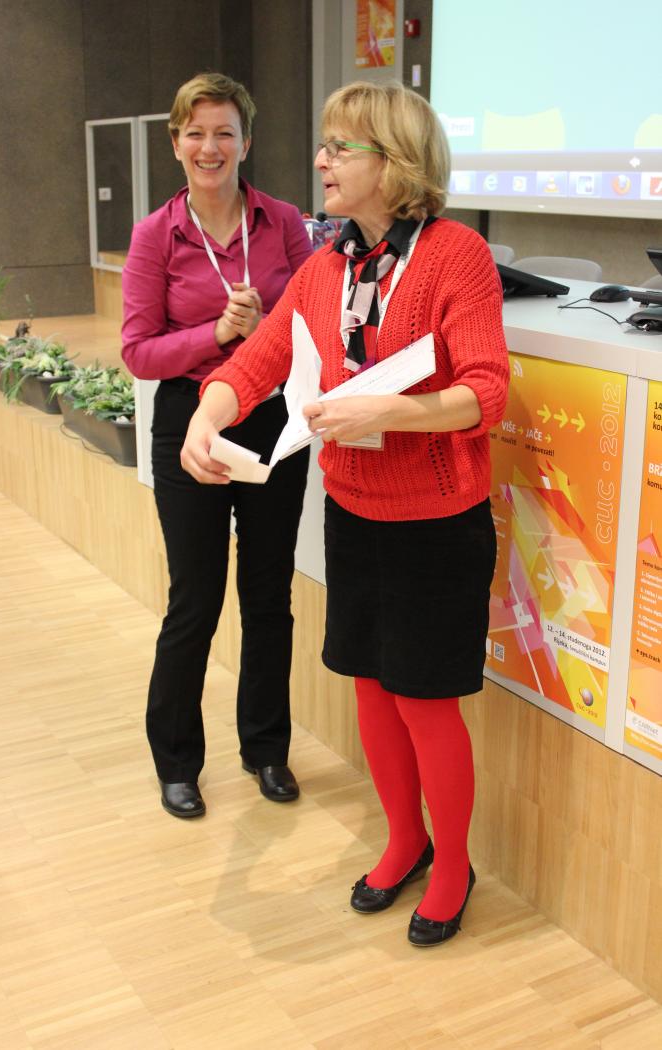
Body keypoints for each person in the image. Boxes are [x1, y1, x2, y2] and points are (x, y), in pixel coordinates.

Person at [179, 80, 509, 945]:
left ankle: (453, 864)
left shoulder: (456, 255)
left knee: (425, 700)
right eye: (324, 144)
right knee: (371, 687)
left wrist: (391, 411)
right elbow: (258, 359)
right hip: (356, 516)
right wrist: (208, 414)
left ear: (394, 163)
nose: (320, 160)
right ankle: (404, 841)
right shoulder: (328, 268)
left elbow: (486, 393)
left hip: (437, 524)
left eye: (340, 146)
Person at [121, 72, 312, 820]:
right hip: (190, 420)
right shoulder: (155, 234)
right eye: (195, 133)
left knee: (269, 595)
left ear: (246, 142)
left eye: (224, 132)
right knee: (194, 600)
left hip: (271, 417)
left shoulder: (284, 222)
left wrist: (267, 330)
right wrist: (217, 333)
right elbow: (139, 351)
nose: (210, 146)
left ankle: (266, 749)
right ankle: (177, 762)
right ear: (176, 144)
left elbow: (310, 322)